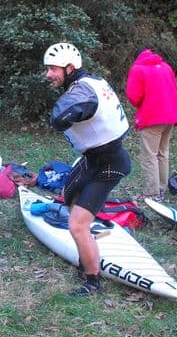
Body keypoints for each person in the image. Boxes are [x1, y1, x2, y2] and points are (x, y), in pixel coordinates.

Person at [44, 42, 131, 297]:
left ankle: (92, 281)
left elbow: (61, 117)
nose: (49, 74)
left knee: (76, 225)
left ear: (70, 67)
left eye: (53, 69)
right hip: (92, 160)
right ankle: (86, 241)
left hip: (109, 166)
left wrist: (62, 117)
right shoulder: (90, 81)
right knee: (69, 194)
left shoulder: (83, 90)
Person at [125, 48, 177, 200]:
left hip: (152, 116)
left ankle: (152, 193)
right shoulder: (165, 66)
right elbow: (174, 88)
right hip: (171, 116)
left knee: (149, 155)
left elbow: (134, 96)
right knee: (162, 153)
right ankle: (161, 188)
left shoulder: (138, 69)